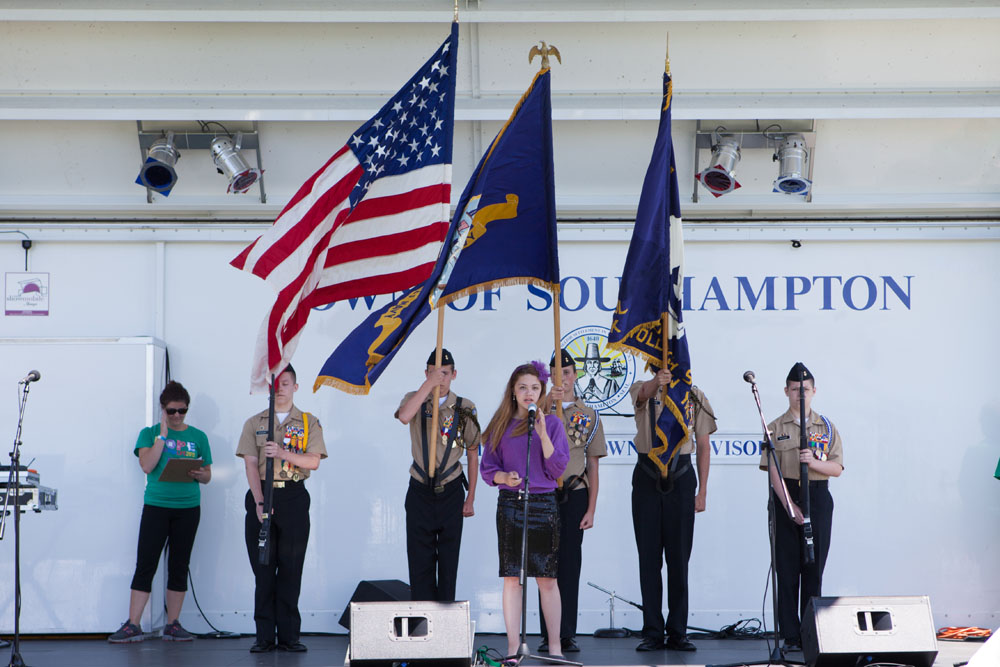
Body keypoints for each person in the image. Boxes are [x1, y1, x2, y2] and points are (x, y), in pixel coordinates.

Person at [108, 381, 213, 644]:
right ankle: (133, 624)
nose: (177, 416)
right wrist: (163, 437)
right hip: (157, 506)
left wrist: (201, 474)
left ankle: (173, 624)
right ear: (162, 410)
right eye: (172, 411)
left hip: (188, 508)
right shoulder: (149, 433)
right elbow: (146, 465)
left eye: (182, 411)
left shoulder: (199, 437)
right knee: (146, 564)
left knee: (180, 565)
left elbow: (209, 475)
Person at [480, 361, 570, 662]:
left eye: (534, 388)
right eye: (523, 388)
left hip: (543, 505)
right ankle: (512, 647)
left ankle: (554, 647)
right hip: (511, 505)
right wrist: (504, 478)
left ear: (541, 390)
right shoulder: (500, 424)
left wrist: (543, 435)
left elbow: (558, 468)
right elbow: (488, 468)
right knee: (511, 577)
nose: (529, 393)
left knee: (547, 579)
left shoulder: (554, 424)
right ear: (513, 392)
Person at [236, 364, 327, 654]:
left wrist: (284, 453)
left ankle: (289, 636)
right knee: (263, 569)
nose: (280, 389)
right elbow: (250, 463)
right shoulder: (254, 422)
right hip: (262, 496)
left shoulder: (309, 422)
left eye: (286, 383)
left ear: (295, 387)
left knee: (290, 568)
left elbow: (313, 461)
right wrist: (260, 499)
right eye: (276, 384)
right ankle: (264, 637)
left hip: (293, 497)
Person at [630, 367, 717, 652]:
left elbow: (703, 445)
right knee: (648, 559)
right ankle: (653, 631)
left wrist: (702, 490)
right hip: (647, 474)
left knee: (679, 559)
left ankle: (678, 631)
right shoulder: (643, 386)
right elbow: (642, 396)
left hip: (681, 475)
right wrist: (659, 381)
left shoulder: (694, 395)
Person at [760, 362, 843, 651]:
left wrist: (814, 462)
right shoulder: (774, 427)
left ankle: (812, 631)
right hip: (787, 497)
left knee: (813, 567)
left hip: (818, 497)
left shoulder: (827, 427)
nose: (800, 394)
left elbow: (836, 468)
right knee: (787, 569)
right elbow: (772, 470)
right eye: (795, 389)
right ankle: (791, 635)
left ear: (814, 391)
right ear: (786, 391)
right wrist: (788, 505)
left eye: (805, 389)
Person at [395, 348, 481, 602]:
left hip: (451, 489)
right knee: (419, 559)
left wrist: (471, 497)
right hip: (420, 488)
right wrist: (427, 386)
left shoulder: (464, 407)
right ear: (425, 373)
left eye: (444, 373)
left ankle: (445, 622)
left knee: (448, 560)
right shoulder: (415, 398)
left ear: (454, 374)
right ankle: (421, 621)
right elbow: (404, 417)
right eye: (433, 372)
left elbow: (473, 453)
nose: (439, 378)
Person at [537, 349, 607, 654]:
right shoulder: (538, 410)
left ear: (575, 374)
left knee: (569, 564)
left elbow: (593, 464)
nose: (561, 379)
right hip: (544, 494)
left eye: (566, 372)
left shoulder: (588, 415)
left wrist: (592, 508)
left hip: (575, 494)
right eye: (555, 373)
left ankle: (567, 633)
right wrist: (546, 404)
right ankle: (547, 633)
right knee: (544, 566)